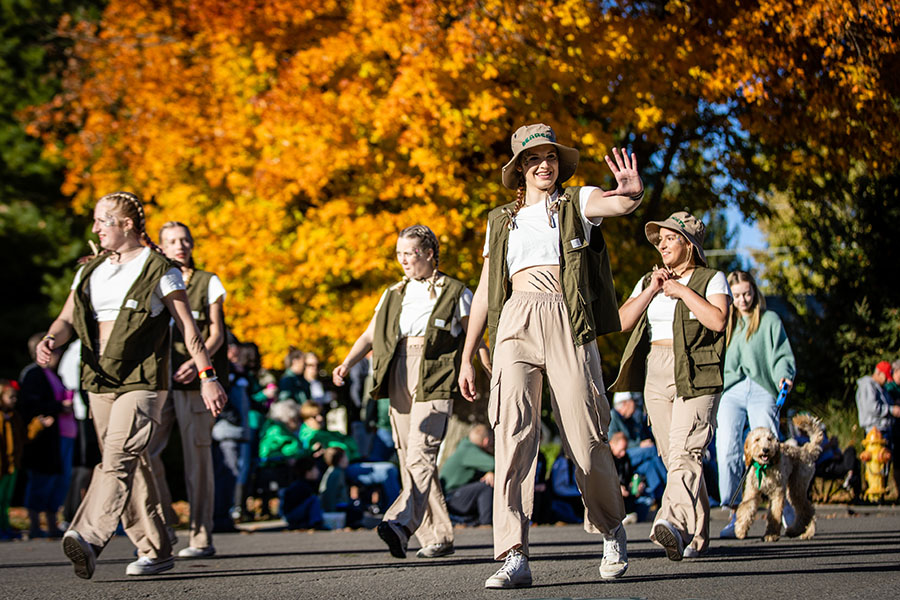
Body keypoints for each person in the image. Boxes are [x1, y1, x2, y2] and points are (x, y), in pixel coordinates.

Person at [458, 123, 643, 588]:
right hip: (514, 323)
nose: (545, 164)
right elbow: (484, 290)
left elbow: (614, 203)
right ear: (520, 167)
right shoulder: (500, 220)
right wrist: (467, 354)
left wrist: (629, 195)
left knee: (585, 435)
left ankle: (610, 528)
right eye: (534, 158)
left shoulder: (576, 202)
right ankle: (513, 553)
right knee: (512, 436)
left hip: (566, 318)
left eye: (551, 157)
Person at [35, 191, 227, 579]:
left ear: (125, 225)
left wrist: (208, 378)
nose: (94, 229)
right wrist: (52, 338)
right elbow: (66, 318)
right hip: (99, 379)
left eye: (102, 221)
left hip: (142, 381)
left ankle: (86, 535)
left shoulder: (160, 268)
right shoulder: (90, 270)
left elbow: (191, 331)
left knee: (118, 457)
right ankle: (155, 547)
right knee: (132, 463)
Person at [333, 225, 477, 561]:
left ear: (428, 253)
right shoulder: (393, 293)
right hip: (397, 367)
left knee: (421, 453)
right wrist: (346, 363)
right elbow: (370, 336)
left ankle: (399, 522)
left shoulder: (456, 290)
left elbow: (474, 336)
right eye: (399, 254)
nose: (402, 260)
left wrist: (476, 366)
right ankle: (438, 536)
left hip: (435, 370)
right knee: (406, 455)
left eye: (409, 253)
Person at [610, 210, 731, 561]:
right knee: (673, 457)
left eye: (669, 238)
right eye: (659, 239)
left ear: (689, 244)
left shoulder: (712, 277)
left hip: (697, 371)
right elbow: (621, 322)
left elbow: (718, 321)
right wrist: (653, 289)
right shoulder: (652, 278)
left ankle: (671, 521)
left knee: (686, 453)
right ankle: (699, 533)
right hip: (656, 371)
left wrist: (682, 291)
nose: (661, 244)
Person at [144, 221, 228, 559]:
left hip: (196, 382)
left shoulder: (208, 281)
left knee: (198, 459)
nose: (180, 246)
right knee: (145, 452)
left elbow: (217, 334)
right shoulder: (154, 280)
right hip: (157, 381)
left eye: (185, 240)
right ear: (160, 246)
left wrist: (197, 364)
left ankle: (200, 536)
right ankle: (165, 520)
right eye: (172, 241)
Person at [715, 270, 796, 537]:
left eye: (747, 293)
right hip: (733, 389)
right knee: (727, 446)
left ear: (755, 292)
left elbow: (782, 353)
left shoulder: (769, 319)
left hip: (763, 387)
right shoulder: (726, 321)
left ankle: (780, 503)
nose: (743, 299)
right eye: (736, 295)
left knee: (769, 447)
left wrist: (785, 375)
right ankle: (734, 510)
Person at [18, 332, 71, 539]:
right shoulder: (33, 373)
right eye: (55, 349)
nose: (58, 354)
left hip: (60, 435)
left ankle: (51, 523)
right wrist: (58, 407)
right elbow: (29, 404)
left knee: (58, 480)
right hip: (43, 437)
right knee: (41, 479)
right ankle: (34, 525)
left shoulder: (54, 375)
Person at [608, 392, 667, 507]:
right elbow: (614, 442)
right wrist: (639, 445)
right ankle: (671, 483)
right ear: (625, 403)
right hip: (622, 454)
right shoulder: (613, 416)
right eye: (633, 402)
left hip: (630, 453)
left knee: (650, 464)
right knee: (651, 450)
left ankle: (661, 496)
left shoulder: (630, 419)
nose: (635, 405)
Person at [439, 424, 495, 527]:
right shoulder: (469, 451)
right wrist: (490, 471)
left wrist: (488, 472)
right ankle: (486, 523)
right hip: (451, 498)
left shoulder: (465, 447)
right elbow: (494, 464)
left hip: (454, 496)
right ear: (486, 441)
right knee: (485, 486)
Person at [1, 380, 25, 540]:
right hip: (2, 466)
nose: (14, 400)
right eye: (11, 397)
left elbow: (24, 436)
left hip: (12, 466)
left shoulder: (14, 416)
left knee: (5, 501)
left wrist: (38, 425)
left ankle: (4, 527)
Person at [856, 361, 899, 439]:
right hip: (875, 432)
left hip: (885, 430)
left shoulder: (881, 387)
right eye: (885, 377)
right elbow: (872, 408)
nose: (887, 380)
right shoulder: (867, 385)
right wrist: (892, 410)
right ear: (879, 372)